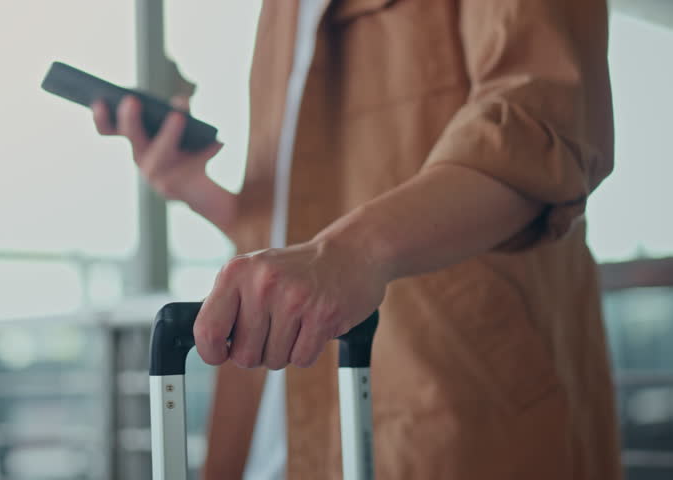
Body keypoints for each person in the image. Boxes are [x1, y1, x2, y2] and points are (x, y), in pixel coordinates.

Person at [92, 0, 621, 478]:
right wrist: (195, 189)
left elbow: (539, 125)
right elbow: (304, 230)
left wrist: (352, 251)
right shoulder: (281, 12)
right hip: (277, 434)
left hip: (454, 418)